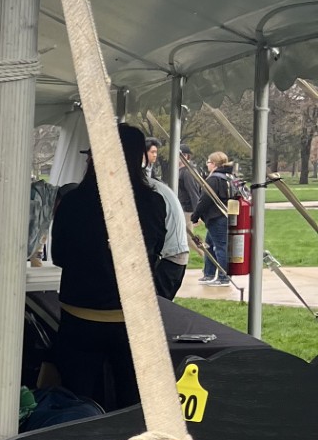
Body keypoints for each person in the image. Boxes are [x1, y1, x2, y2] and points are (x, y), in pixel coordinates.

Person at [49, 122, 167, 409]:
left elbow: (59, 256)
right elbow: (156, 251)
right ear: (139, 157)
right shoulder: (153, 203)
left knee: (78, 402)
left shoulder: (74, 201)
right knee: (131, 404)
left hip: (80, 315)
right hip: (132, 318)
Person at [148, 167, 192, 299]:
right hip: (173, 254)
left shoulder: (147, 190)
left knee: (156, 310)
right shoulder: (154, 186)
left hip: (168, 257)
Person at [197, 151, 235, 283]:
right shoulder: (229, 177)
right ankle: (209, 273)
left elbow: (205, 199)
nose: (207, 165)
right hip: (225, 216)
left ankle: (223, 277)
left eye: (208, 162)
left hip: (216, 217)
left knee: (220, 247)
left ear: (213, 164)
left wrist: (196, 215)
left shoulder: (214, 179)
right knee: (209, 245)